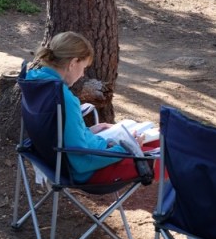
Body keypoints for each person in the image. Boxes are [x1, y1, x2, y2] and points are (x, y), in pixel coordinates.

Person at [27, 32, 158, 184]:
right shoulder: (63, 98)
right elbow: (82, 161)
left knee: (153, 139)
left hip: (53, 163)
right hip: (85, 172)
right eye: (83, 68)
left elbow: (55, 132)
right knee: (167, 151)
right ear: (73, 62)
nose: (82, 75)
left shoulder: (34, 81)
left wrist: (87, 131)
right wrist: (128, 148)